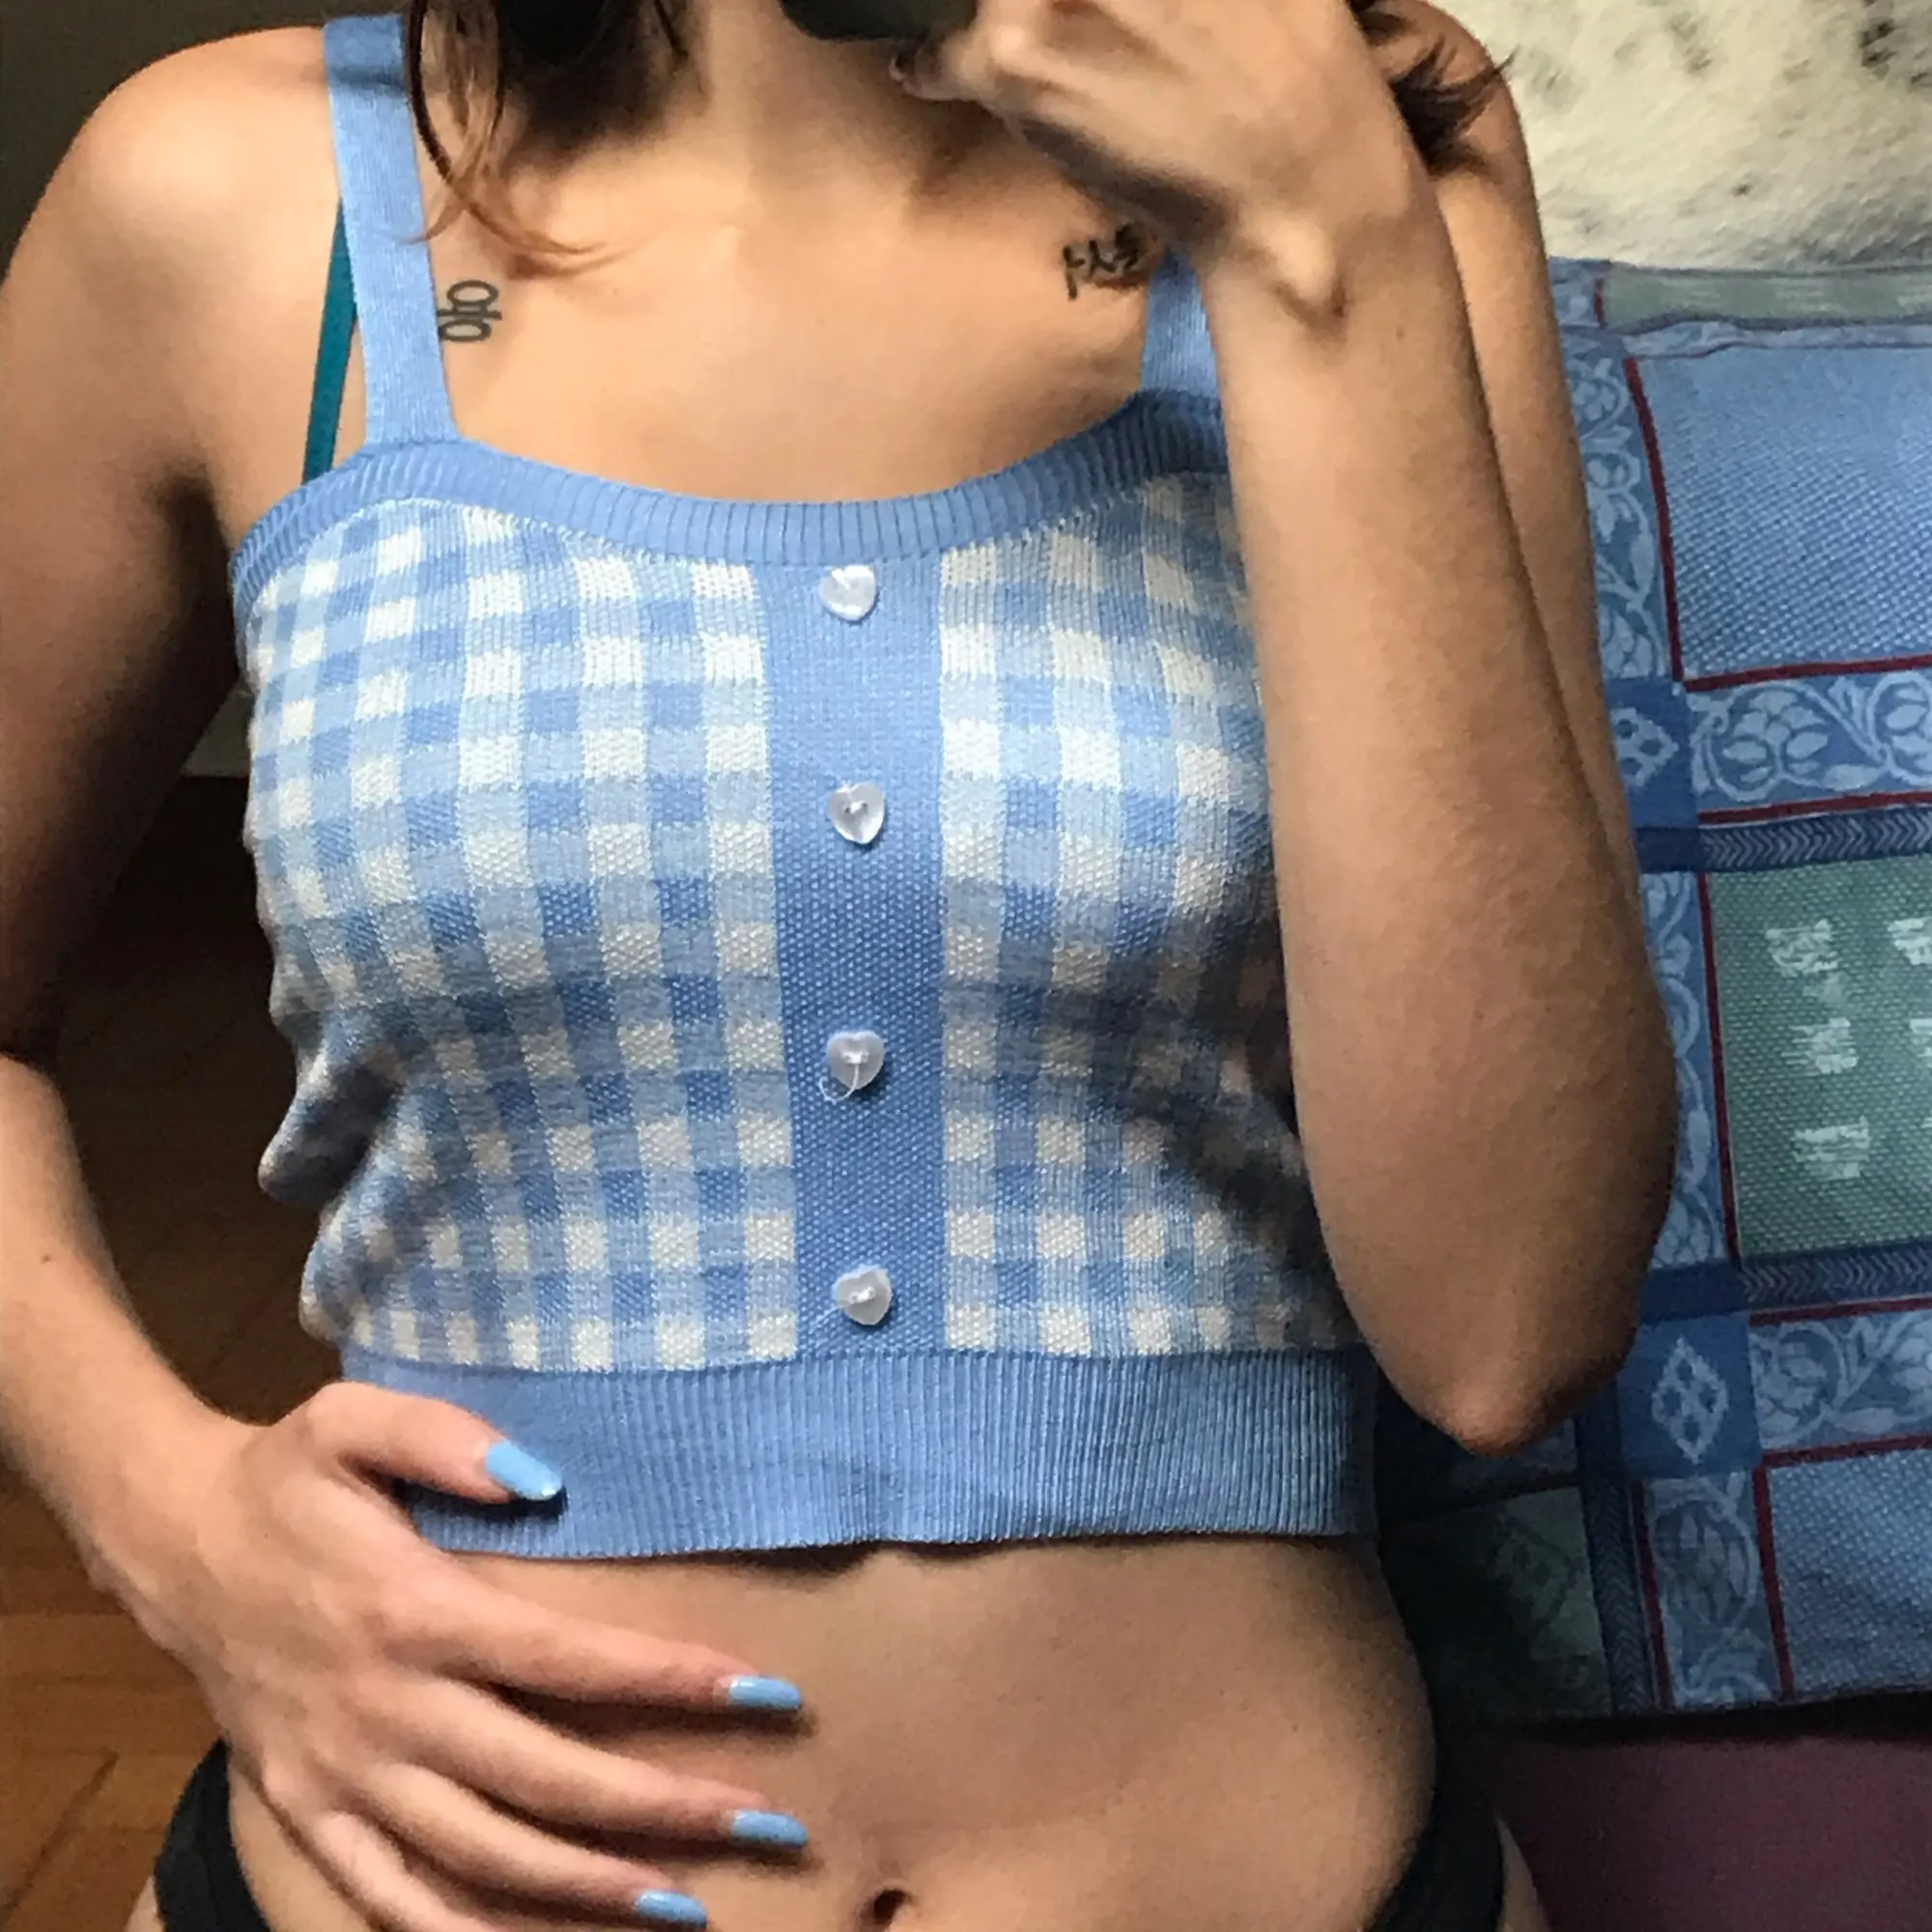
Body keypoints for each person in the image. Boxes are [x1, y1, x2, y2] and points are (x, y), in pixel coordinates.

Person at [0, 1, 1679, 1927]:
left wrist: (1317, 248)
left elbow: (1507, 1326)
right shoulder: (230, 196)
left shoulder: (1369, 154)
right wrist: (170, 1522)